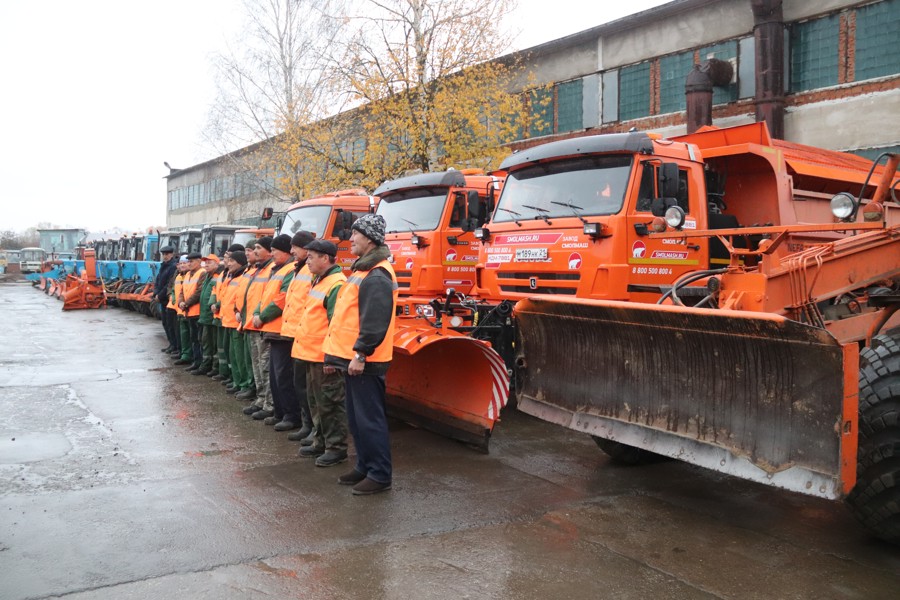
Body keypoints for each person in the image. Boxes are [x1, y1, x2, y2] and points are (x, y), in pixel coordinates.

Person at [323, 214, 398, 495]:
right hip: (352, 359)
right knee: (357, 420)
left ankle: (379, 474)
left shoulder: (377, 274)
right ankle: (365, 466)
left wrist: (361, 354)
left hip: (365, 362)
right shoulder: (363, 270)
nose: (350, 239)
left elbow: (374, 322)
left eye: (354, 234)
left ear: (369, 238)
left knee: (370, 420)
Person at [295, 239, 348, 467]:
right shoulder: (321, 281)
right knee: (316, 402)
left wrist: (331, 357)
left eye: (311, 257)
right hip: (311, 355)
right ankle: (321, 441)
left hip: (324, 357)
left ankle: (336, 448)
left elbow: (336, 325)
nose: (307, 262)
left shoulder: (336, 283)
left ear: (325, 258)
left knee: (330, 404)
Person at [257, 232, 315, 431]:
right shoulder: (295, 269)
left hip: (288, 332)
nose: (292, 251)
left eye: (295, 247)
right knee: (276, 376)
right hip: (280, 330)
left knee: (286, 377)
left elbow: (281, 301)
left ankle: (292, 416)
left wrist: (262, 316)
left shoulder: (299, 270)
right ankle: (281, 412)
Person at [241, 240, 275, 419]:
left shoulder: (271, 270)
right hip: (253, 323)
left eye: (257, 248)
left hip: (263, 325)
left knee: (265, 366)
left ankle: (268, 403)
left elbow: (271, 299)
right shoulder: (260, 269)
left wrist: (260, 316)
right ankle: (261, 398)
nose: (253, 252)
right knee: (257, 365)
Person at [178, 251, 208, 372]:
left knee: (199, 339)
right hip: (189, 312)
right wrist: (181, 301)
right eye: (188, 261)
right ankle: (196, 362)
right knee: (194, 339)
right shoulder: (188, 274)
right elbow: (182, 291)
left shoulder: (202, 273)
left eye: (191, 262)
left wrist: (186, 303)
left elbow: (198, 292)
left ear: (199, 261)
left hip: (197, 312)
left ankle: (200, 363)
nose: (189, 264)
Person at [195, 254, 221, 376]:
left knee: (212, 343)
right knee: (205, 341)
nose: (206, 265)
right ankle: (207, 365)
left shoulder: (217, 277)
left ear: (217, 264)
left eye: (209, 262)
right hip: (205, 316)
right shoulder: (208, 277)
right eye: (205, 262)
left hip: (211, 316)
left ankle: (211, 366)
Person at [155, 245, 178, 353]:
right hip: (162, 299)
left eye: (167, 254)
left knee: (171, 324)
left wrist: (159, 295)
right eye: (163, 254)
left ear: (172, 254)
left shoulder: (173, 267)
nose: (165, 256)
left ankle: (174, 345)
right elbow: (158, 281)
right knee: (165, 323)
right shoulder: (163, 266)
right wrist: (156, 293)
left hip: (167, 299)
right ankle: (171, 344)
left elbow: (169, 284)